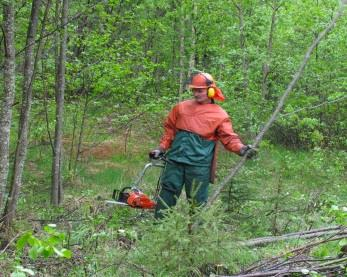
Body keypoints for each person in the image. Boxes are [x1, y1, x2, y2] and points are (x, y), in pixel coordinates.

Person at [150, 71, 256, 219]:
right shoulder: (180, 108)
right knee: (166, 196)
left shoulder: (220, 115)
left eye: (199, 90)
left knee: (197, 202)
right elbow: (169, 132)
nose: (196, 93)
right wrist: (161, 149)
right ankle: (159, 230)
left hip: (199, 166)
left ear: (211, 90)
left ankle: (196, 236)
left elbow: (229, 138)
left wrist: (242, 149)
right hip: (174, 162)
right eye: (194, 90)